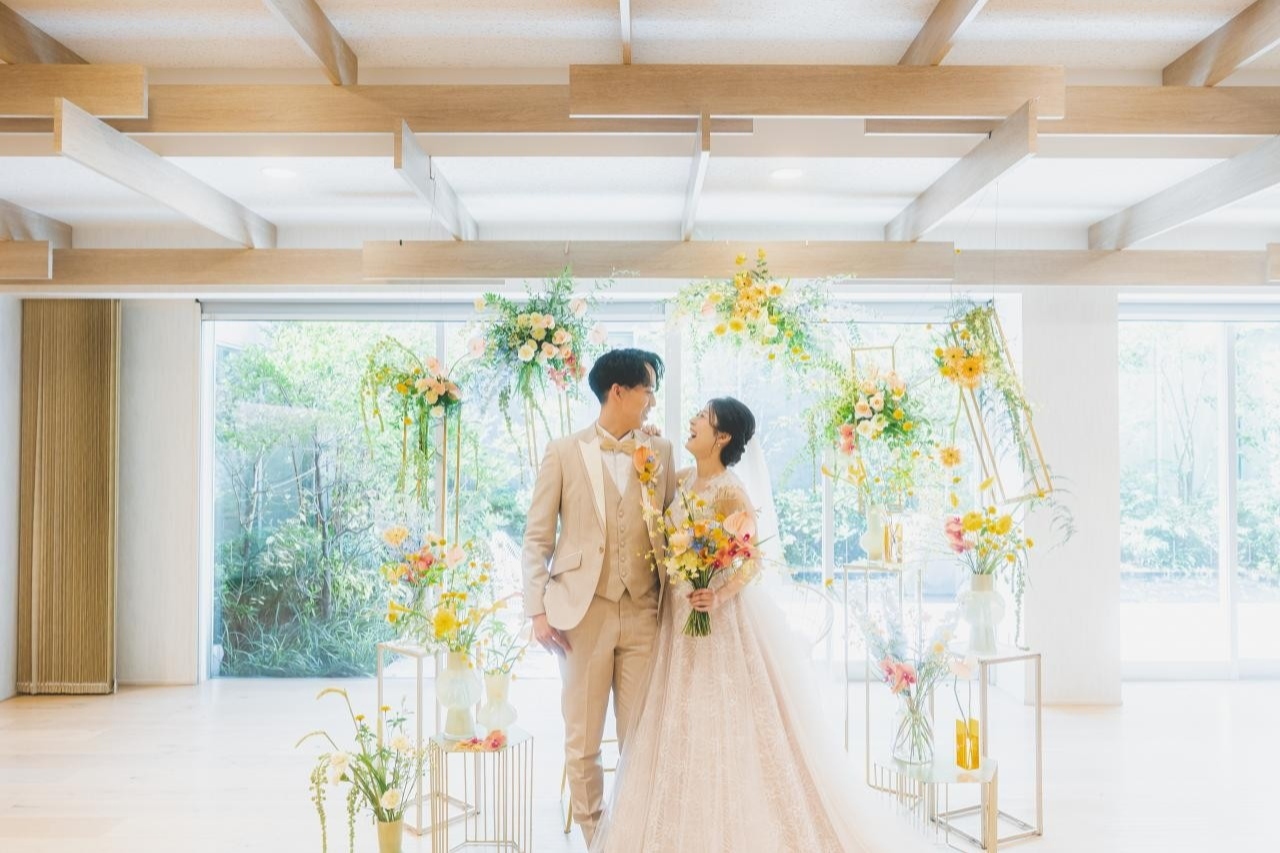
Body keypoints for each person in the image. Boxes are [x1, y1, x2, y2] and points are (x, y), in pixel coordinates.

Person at [590, 397, 939, 853]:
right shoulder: (683, 478)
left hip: (716, 622)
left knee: (722, 722)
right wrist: (649, 444)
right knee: (681, 725)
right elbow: (654, 499)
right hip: (677, 623)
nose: (693, 420)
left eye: (703, 417)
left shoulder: (731, 490)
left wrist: (717, 595)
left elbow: (751, 560)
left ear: (722, 437)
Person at [521, 348, 678, 845]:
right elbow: (537, 538)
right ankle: (597, 840)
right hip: (580, 614)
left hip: (644, 611)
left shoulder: (661, 451)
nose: (652, 400)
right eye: (648, 390)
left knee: (641, 739)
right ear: (619, 392)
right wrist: (537, 610)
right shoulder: (563, 452)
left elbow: (674, 525)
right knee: (583, 737)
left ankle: (635, 836)